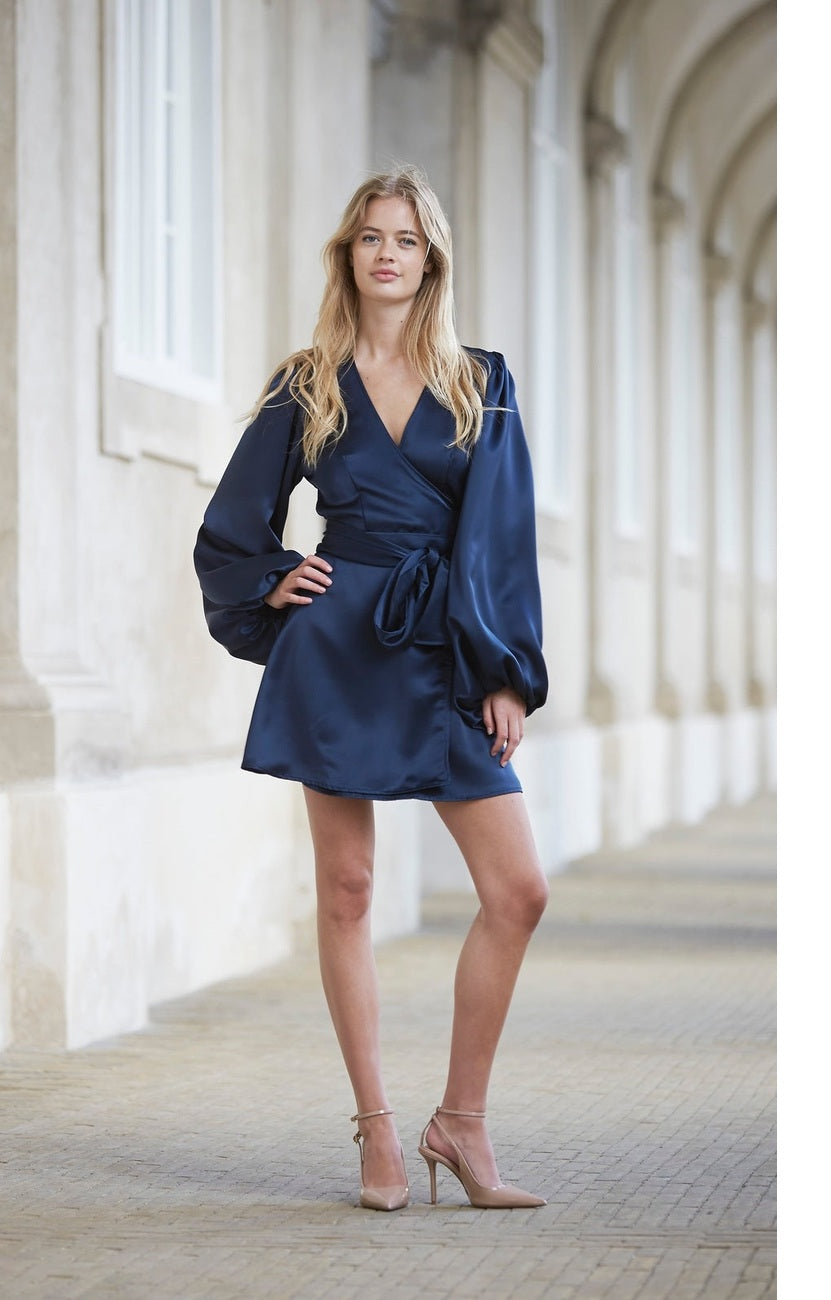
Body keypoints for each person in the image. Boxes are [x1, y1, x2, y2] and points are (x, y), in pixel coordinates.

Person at [193, 166, 549, 1211]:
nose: (386, 254)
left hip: (443, 647)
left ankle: (462, 1124)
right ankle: (378, 1130)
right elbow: (234, 520)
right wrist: (273, 576)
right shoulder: (305, 382)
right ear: (347, 255)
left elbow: (502, 540)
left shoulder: (480, 381)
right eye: (369, 237)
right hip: (338, 646)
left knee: (518, 892)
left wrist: (505, 673)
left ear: (430, 260)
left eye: (405, 239)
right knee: (347, 890)